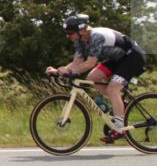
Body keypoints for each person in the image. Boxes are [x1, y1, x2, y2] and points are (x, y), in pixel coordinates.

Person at [46, 14, 146, 143]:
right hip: (118, 59)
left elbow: (90, 63)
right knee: (92, 77)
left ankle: (120, 128)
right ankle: (120, 105)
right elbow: (77, 62)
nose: (68, 36)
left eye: (70, 33)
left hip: (133, 57)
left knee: (112, 90)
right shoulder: (79, 41)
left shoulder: (96, 37)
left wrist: (71, 73)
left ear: (81, 30)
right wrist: (59, 71)